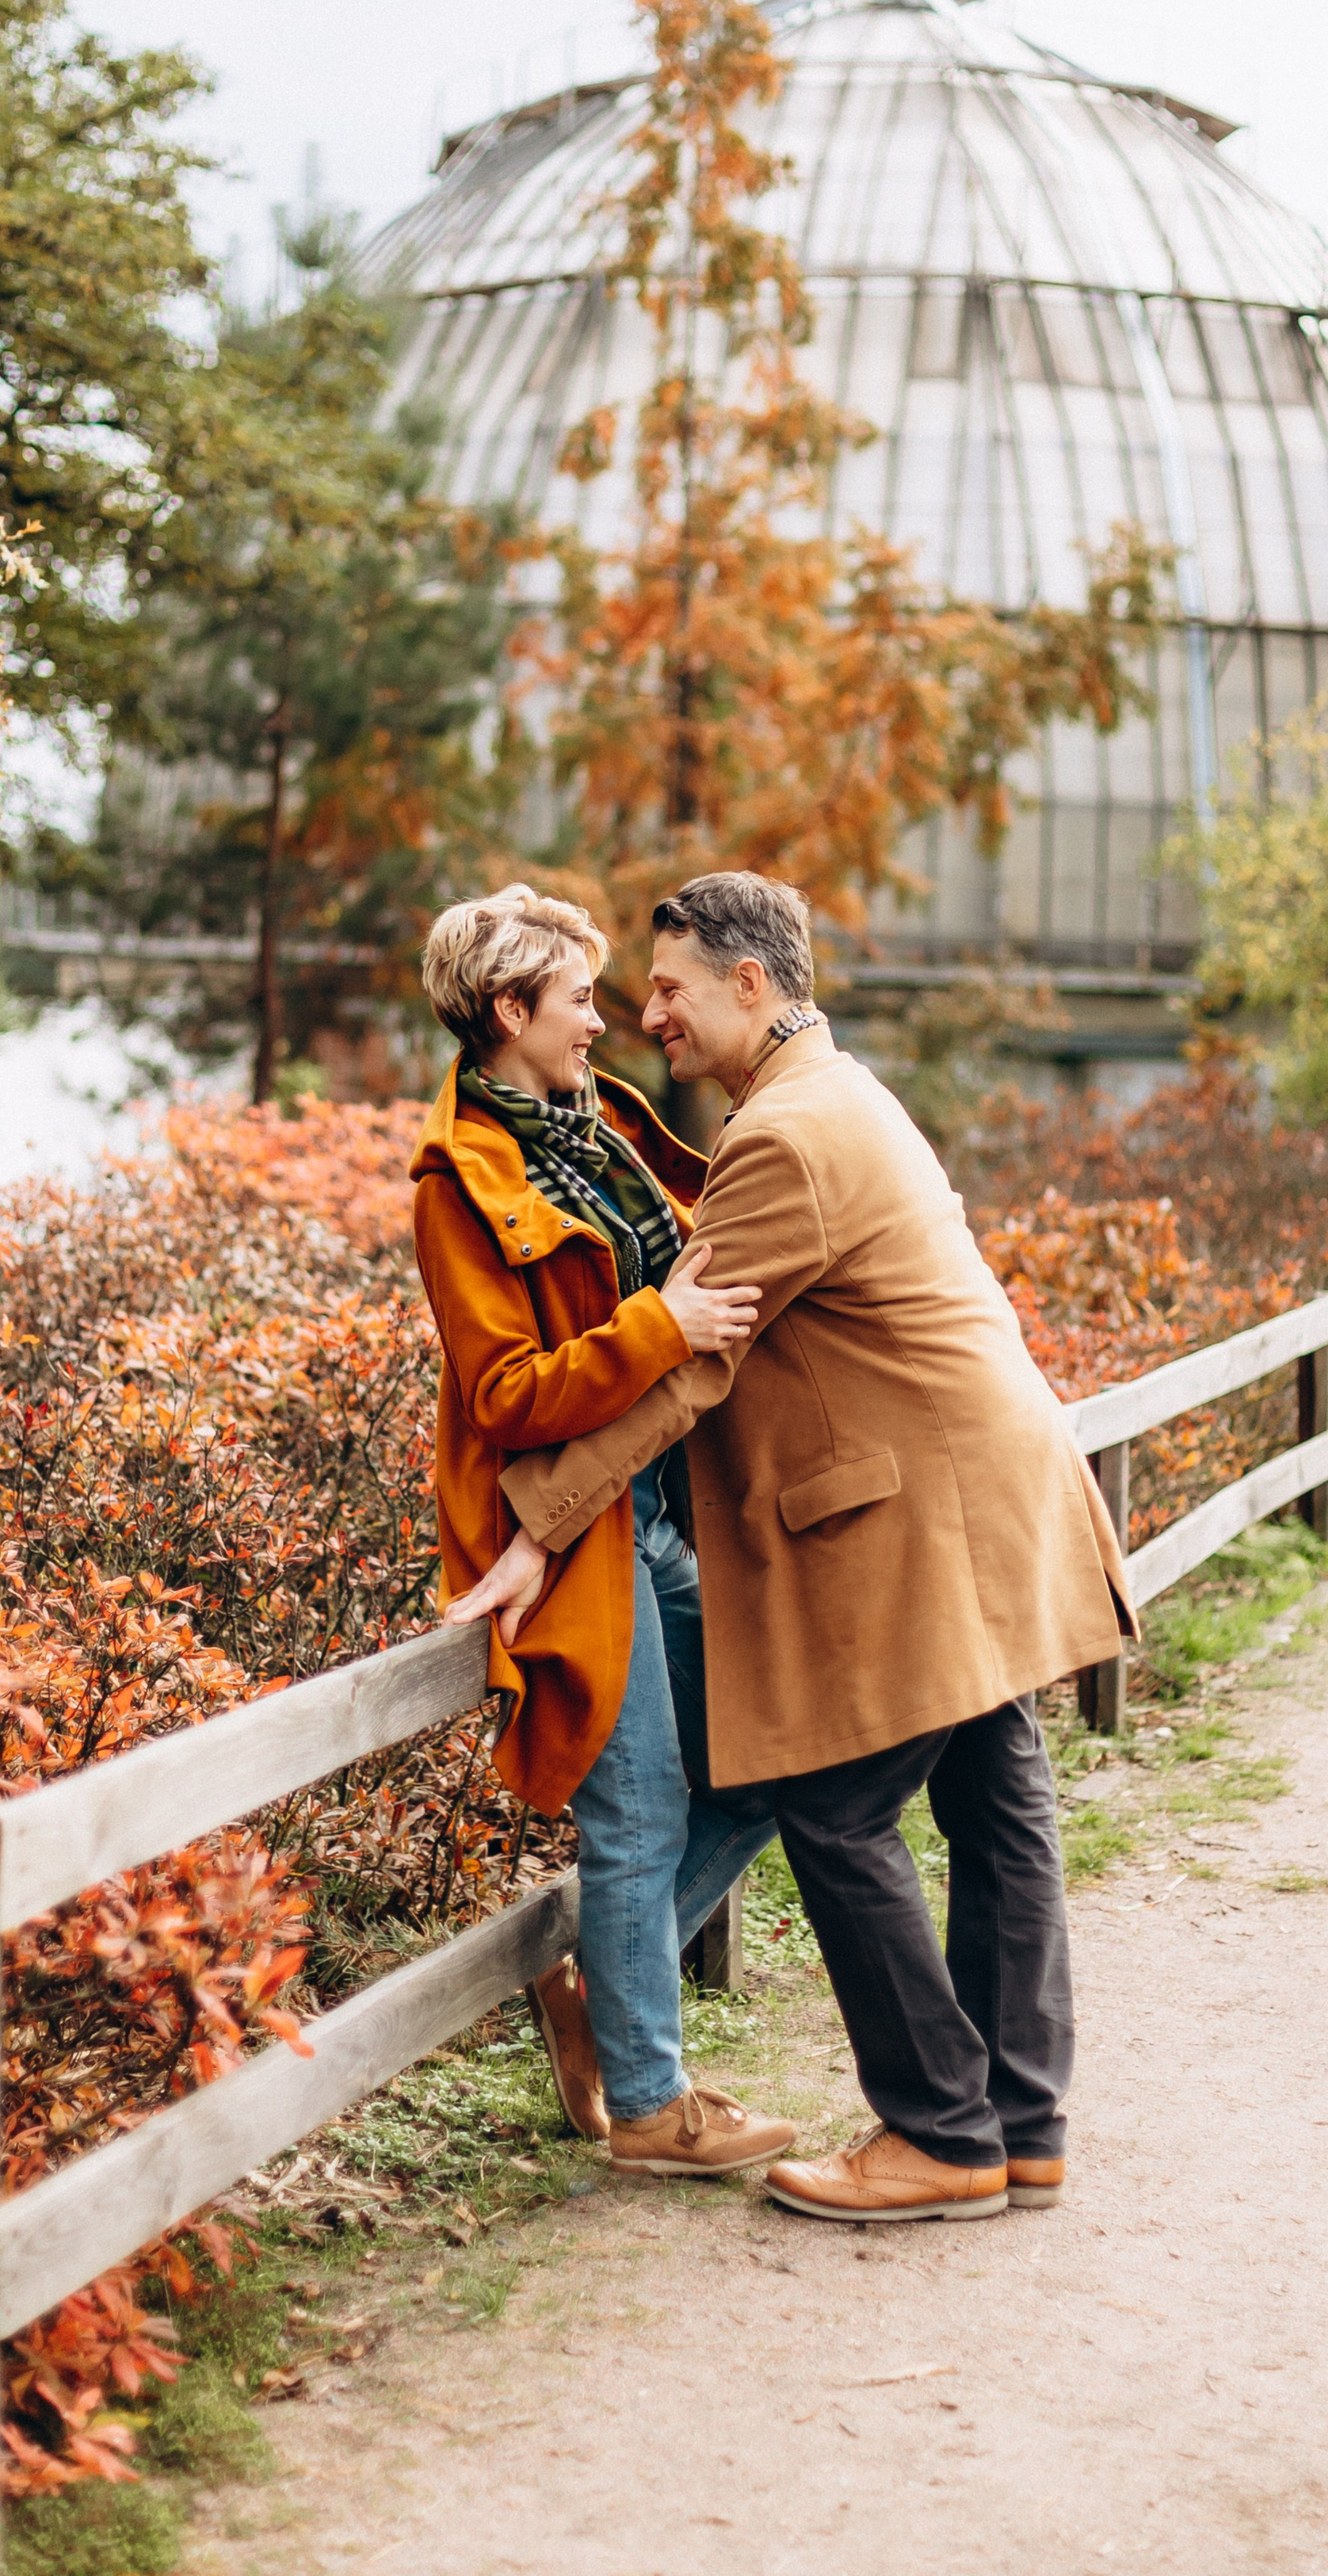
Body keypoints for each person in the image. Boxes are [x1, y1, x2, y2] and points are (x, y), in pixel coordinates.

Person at [495, 870, 1135, 2226]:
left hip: (922, 1521)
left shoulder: (783, 1138)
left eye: (669, 987)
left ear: (747, 984)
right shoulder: (842, 1096)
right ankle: (1019, 2126)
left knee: (837, 1810)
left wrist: (534, 1525)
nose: (647, 1012)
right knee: (995, 1793)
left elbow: (686, 1370)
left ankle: (941, 2133)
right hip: (992, 1488)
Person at [409, 885, 792, 2179]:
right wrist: (661, 1329)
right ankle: (649, 2105)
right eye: (578, 997)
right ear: (511, 1011)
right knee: (637, 1813)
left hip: (667, 1504)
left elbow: (711, 1236)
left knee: (763, 1766)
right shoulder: (460, 1184)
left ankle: (590, 1986)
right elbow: (508, 1392)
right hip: (572, 1527)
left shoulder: (600, 1121)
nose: (606, 1017)